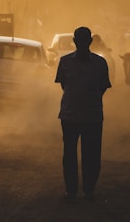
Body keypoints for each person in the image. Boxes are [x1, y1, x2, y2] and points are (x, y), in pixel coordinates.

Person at [54, 26, 111, 201]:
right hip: (89, 114)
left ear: (74, 41)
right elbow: (103, 87)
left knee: (71, 154)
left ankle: (73, 191)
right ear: (90, 41)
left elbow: (64, 85)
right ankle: (87, 190)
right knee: (90, 154)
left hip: (71, 113)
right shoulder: (100, 63)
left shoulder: (65, 62)